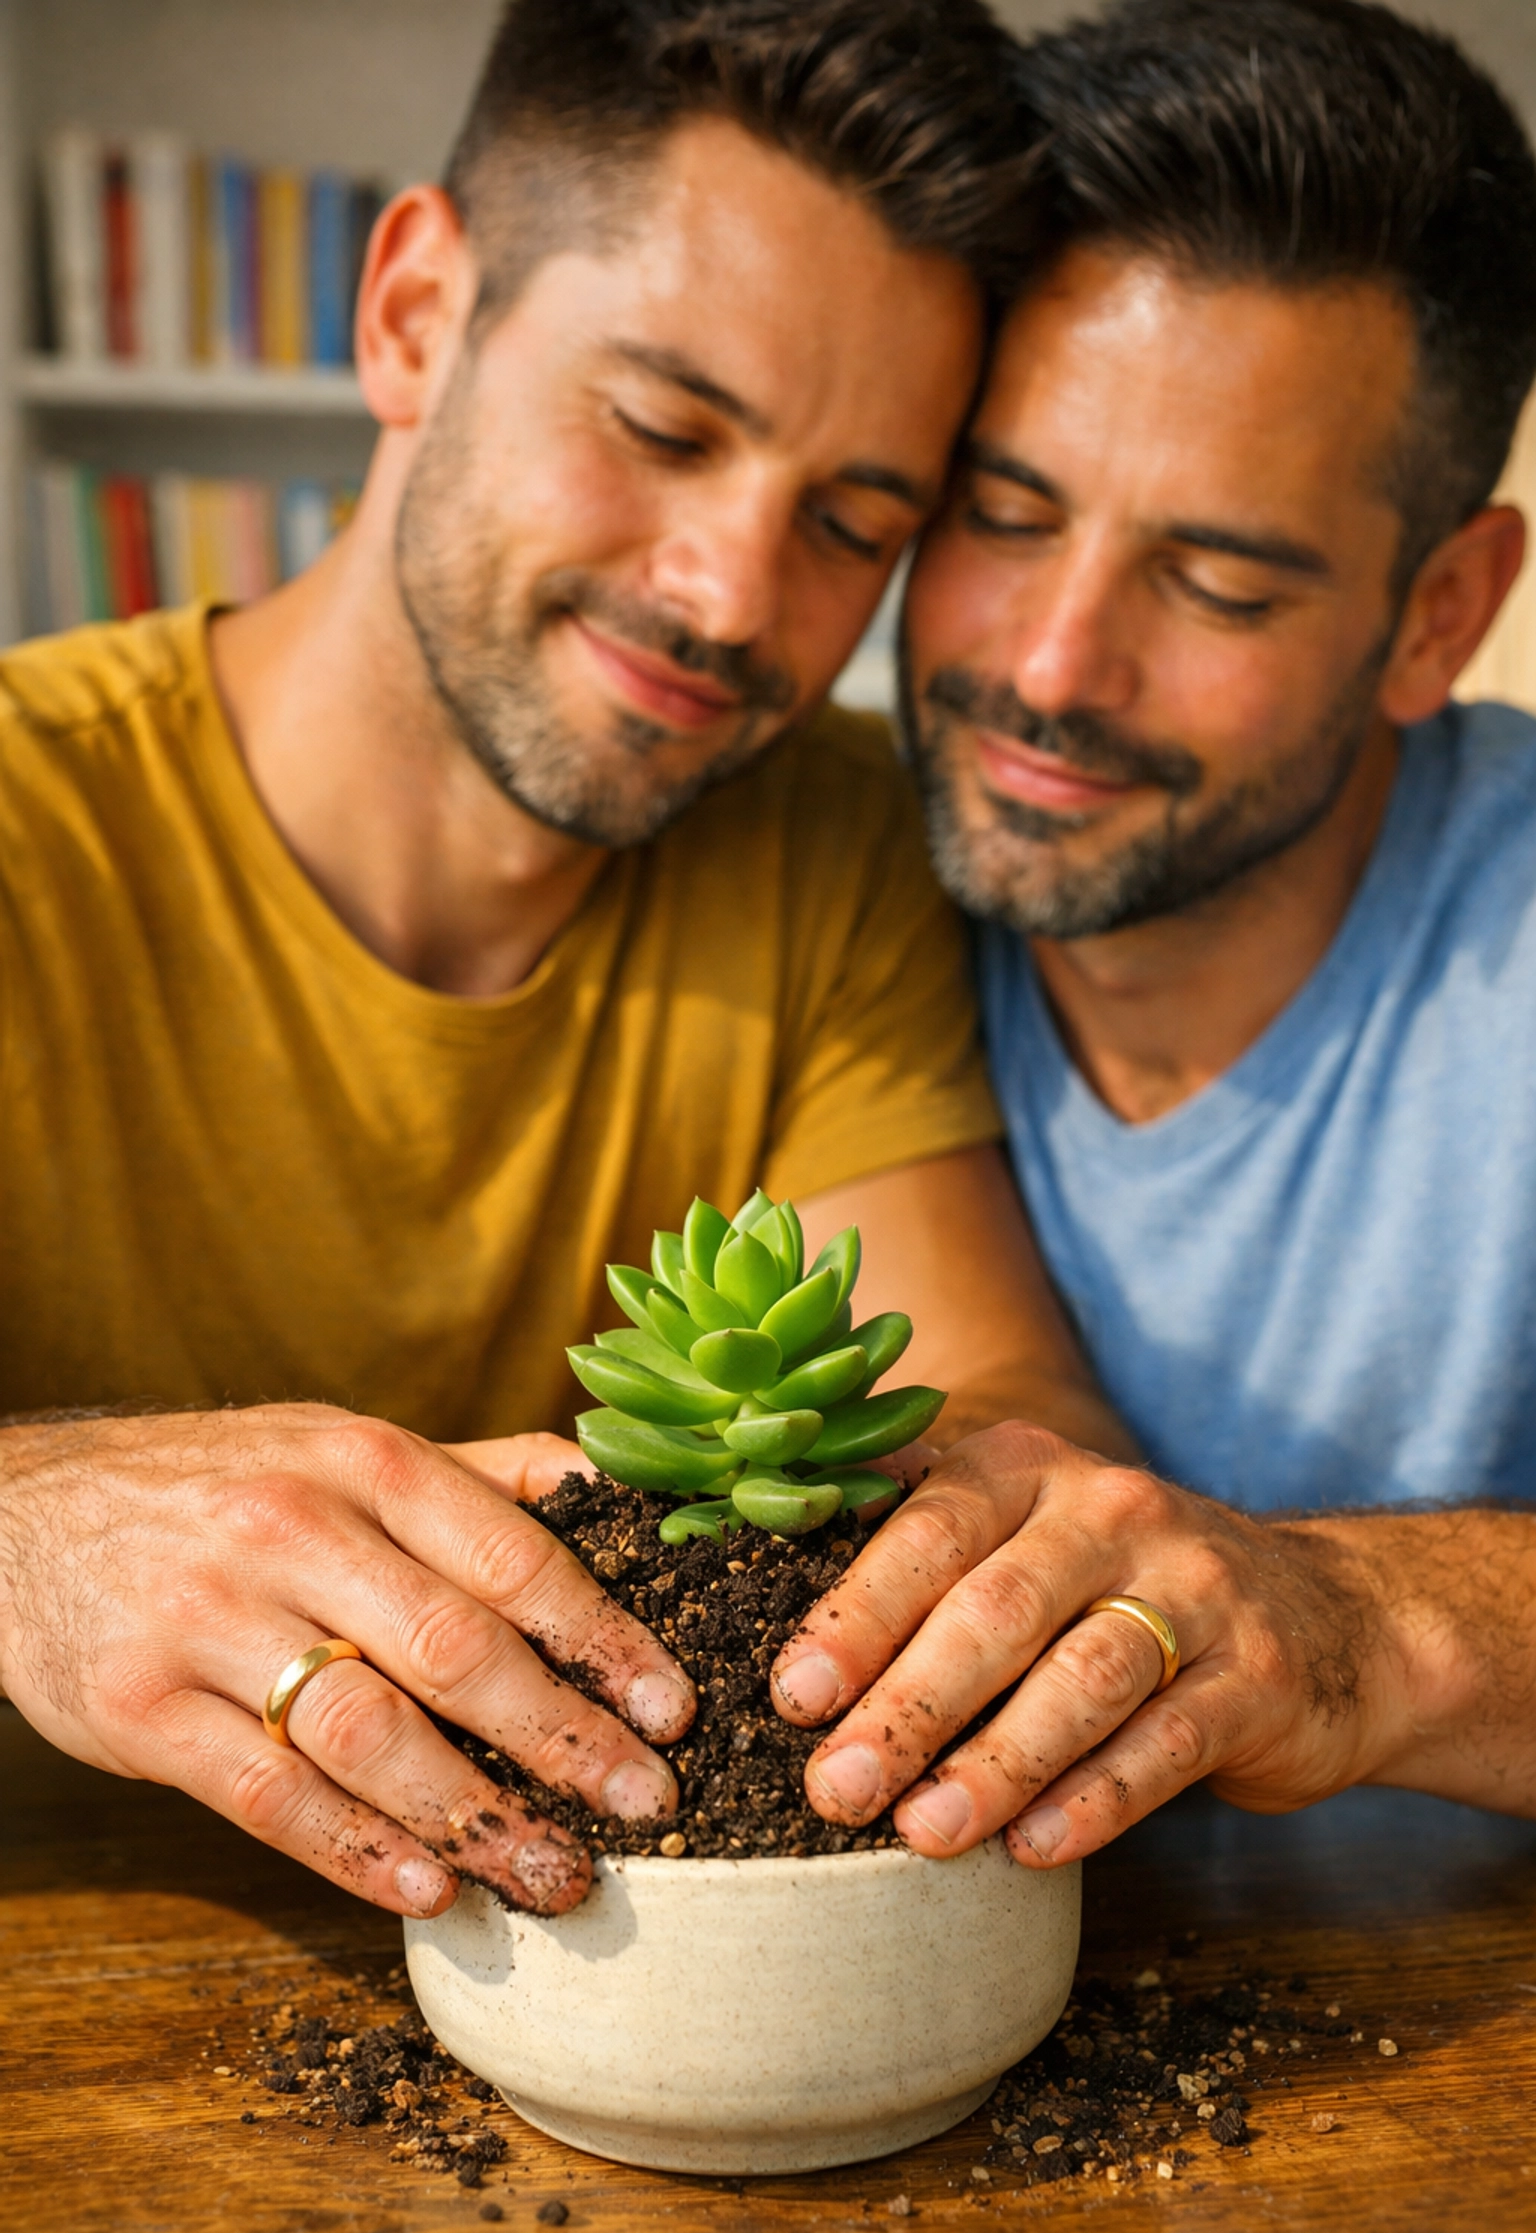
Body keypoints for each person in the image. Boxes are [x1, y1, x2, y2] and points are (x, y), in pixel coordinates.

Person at [0, 0, 1117, 1921]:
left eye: (855, 524)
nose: (732, 599)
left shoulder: (835, 833)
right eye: (662, 427)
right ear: (417, 312)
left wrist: (1015, 1549)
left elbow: (999, 1388)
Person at [773, 0, 1536, 1869]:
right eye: (1003, 514)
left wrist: (1354, 1623)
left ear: (1441, 611)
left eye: (1215, 581)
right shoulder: (791, 872)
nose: (1048, 670)